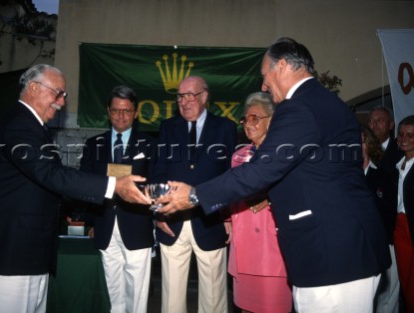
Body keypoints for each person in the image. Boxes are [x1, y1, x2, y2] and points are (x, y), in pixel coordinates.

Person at [156, 37, 391, 313]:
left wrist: (195, 194)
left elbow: (262, 169)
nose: (263, 85)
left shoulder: (301, 106)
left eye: (264, 76)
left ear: (281, 66)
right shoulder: (323, 102)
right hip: (341, 250)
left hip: (333, 255)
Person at [0, 64, 150, 313]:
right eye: (58, 93)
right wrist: (114, 186)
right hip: (9, 254)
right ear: (33, 88)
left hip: (27, 252)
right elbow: (50, 174)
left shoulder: (34, 127)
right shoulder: (19, 125)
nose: (62, 102)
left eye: (64, 95)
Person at [152, 75, 237, 313]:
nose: (184, 102)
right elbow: (158, 172)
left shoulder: (225, 128)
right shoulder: (167, 128)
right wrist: (159, 212)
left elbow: (230, 176)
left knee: (213, 296)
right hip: (172, 221)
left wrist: (229, 216)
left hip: (210, 220)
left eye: (189, 96)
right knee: (171, 298)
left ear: (204, 96)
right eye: (180, 96)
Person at [79, 85, 156, 313]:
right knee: (113, 294)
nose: (121, 116)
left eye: (126, 110)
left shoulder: (150, 145)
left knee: (137, 295)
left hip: (137, 225)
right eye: (116, 110)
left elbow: (155, 183)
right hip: (104, 226)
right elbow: (86, 185)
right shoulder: (93, 145)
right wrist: (91, 222)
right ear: (108, 111)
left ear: (136, 112)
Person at [229, 91, 292, 313]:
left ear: (272, 120)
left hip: (272, 251)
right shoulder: (238, 156)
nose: (248, 123)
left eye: (255, 118)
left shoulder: (284, 154)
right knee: (245, 308)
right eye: (246, 119)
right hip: (243, 249)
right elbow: (231, 194)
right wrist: (226, 219)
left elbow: (297, 191)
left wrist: (270, 197)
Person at [361, 125, 401, 313]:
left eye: (360, 141)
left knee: (386, 299)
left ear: (368, 145)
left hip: (383, 245)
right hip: (354, 250)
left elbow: (390, 214)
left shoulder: (383, 177)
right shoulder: (340, 179)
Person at [393, 115, 414, 313]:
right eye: (401, 135)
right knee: (405, 276)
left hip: (411, 224)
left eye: (410, 135)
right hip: (399, 225)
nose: (404, 139)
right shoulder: (396, 165)